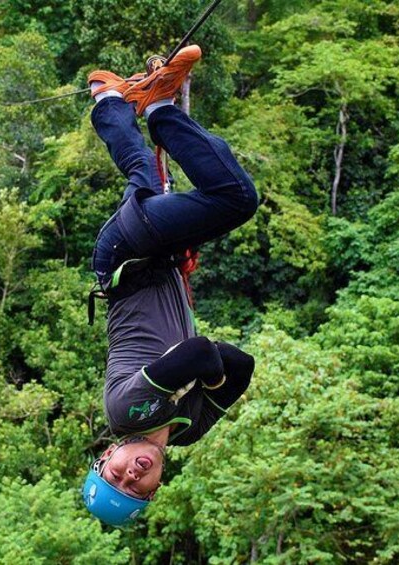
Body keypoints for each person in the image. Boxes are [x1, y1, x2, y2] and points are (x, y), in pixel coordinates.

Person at [82, 45, 259, 527]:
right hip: (157, 262)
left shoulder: (127, 411)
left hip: (127, 259)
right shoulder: (185, 430)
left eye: (114, 476)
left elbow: (204, 355)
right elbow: (244, 364)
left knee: (235, 199)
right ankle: (120, 99)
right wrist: (211, 371)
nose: (130, 476)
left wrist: (208, 378)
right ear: (156, 489)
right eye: (135, 489)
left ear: (107, 454)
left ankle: (154, 108)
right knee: (143, 174)